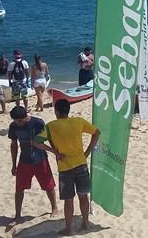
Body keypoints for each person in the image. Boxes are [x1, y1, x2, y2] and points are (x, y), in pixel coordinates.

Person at [34, 99, 100, 236]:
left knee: (68, 200)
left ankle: (69, 229)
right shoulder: (78, 121)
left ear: (56, 111)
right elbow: (97, 132)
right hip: (81, 164)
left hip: (65, 168)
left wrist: (55, 152)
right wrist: (87, 152)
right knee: (83, 196)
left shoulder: (51, 126)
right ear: (68, 110)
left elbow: (36, 142)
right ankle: (86, 223)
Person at [8, 106, 57, 222]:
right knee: (19, 188)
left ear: (26, 117)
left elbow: (49, 138)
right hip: (24, 160)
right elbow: (14, 145)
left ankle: (54, 207)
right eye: (15, 121)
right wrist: (14, 164)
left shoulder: (38, 123)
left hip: (40, 159)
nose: (17, 123)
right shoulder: (13, 126)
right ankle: (18, 215)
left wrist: (56, 153)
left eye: (19, 121)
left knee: (48, 185)